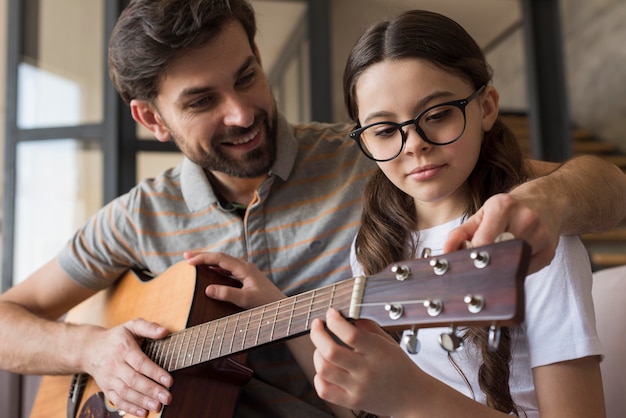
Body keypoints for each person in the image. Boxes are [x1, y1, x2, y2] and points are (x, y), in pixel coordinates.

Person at [0, 1, 620, 417]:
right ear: (151, 119)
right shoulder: (137, 216)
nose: (241, 112)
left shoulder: (385, 159)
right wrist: (94, 353)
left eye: (246, 76)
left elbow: (588, 185)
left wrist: (554, 200)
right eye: (202, 101)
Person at [309, 9, 604, 418]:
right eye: (383, 130)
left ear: (486, 107)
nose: (413, 145)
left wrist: (412, 397)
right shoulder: (373, 243)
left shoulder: (534, 237)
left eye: (437, 115)